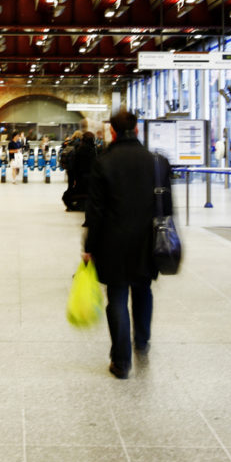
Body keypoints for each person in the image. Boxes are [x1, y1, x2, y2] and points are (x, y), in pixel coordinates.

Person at [84, 110, 173, 380]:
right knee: (143, 288)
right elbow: (166, 206)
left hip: (113, 241)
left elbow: (95, 211)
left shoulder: (104, 162)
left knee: (118, 296)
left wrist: (89, 246)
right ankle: (142, 341)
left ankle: (121, 362)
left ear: (112, 131)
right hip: (147, 239)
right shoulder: (157, 162)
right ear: (136, 130)